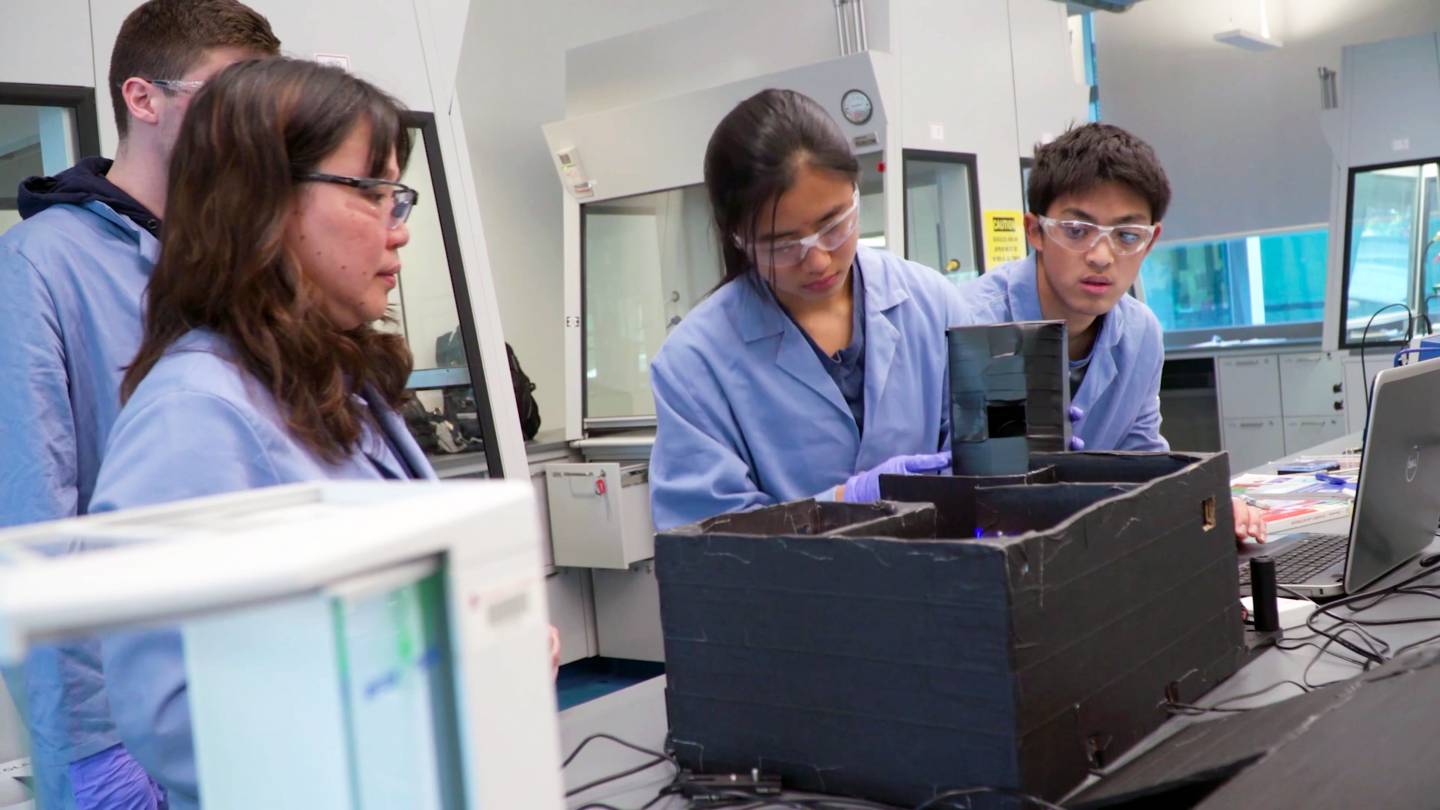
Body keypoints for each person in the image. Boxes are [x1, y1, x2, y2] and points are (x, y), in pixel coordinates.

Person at [79, 57, 429, 808]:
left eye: (398, 196)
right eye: (370, 192)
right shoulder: (196, 415)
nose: (396, 230)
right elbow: (177, 717)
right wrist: (432, 691)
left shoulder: (339, 379)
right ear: (263, 201)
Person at [0, 2, 280, 806]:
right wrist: (90, 747)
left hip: (263, 690)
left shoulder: (239, 265)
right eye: (227, 96)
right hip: (131, 726)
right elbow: (31, 537)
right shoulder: (37, 270)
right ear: (142, 97)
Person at [648, 88, 970, 531]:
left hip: (945, 586)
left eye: (834, 225)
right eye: (782, 245)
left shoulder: (934, 305)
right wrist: (837, 505)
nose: (818, 260)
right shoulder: (693, 363)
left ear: (855, 193)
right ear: (738, 238)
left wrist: (1027, 444)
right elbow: (705, 540)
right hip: (796, 598)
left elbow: (983, 475)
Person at [959, 122, 1265, 543]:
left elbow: (1138, 462)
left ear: (1151, 240)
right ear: (1035, 231)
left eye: (1126, 236)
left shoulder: (1140, 334)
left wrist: (1203, 503)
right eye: (1077, 231)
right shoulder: (973, 327)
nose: (1102, 257)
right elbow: (967, 487)